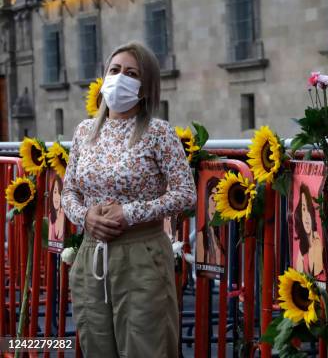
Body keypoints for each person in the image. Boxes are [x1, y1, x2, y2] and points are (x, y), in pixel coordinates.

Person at [62, 41, 197, 358]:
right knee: (96, 345)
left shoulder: (159, 133)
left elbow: (185, 194)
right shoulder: (84, 132)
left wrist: (130, 213)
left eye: (131, 73)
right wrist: (85, 217)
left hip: (141, 256)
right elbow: (68, 191)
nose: (120, 77)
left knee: (145, 346)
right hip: (91, 256)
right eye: (115, 70)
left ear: (146, 85)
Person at [293, 183, 324, 279]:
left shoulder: (317, 241)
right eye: (303, 209)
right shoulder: (300, 252)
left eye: (308, 209)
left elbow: (317, 273)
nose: (306, 216)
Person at [204, 177, 223, 266]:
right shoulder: (201, 236)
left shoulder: (226, 236)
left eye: (219, 200)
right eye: (212, 199)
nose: (215, 205)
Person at [49, 174, 65, 243]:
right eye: (55, 192)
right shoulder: (51, 216)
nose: (57, 197)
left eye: (59, 193)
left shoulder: (67, 214)